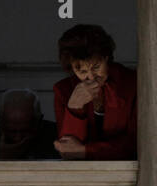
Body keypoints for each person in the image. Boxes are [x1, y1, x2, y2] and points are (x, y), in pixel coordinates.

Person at [52, 24, 136, 160]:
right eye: (82, 71)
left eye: (96, 67)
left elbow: (134, 143)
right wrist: (74, 107)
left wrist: (86, 151)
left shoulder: (131, 83)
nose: (91, 77)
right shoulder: (63, 90)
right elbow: (67, 149)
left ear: (106, 57)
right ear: (72, 69)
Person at [0, 89, 59, 159]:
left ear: (38, 121)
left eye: (25, 131)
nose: (18, 138)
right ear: (1, 121)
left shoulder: (56, 135)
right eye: (11, 131)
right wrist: (3, 158)